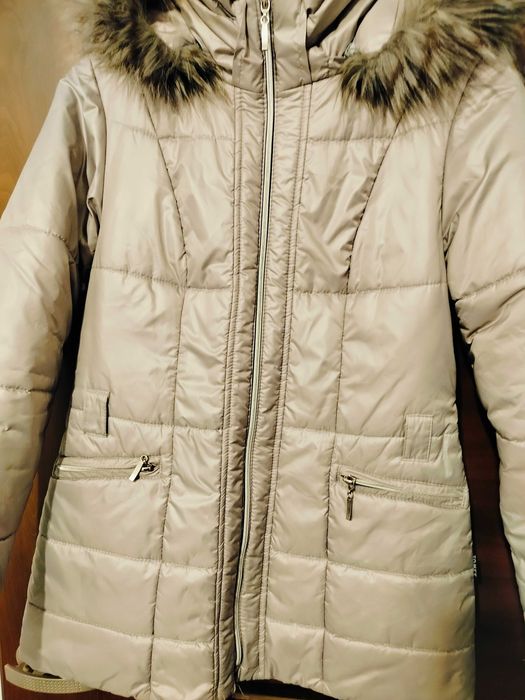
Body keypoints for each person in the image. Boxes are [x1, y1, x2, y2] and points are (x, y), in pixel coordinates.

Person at [1, 1, 525, 699]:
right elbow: (15, 331)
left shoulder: (456, 80)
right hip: (132, 556)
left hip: (368, 568)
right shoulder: (113, 81)